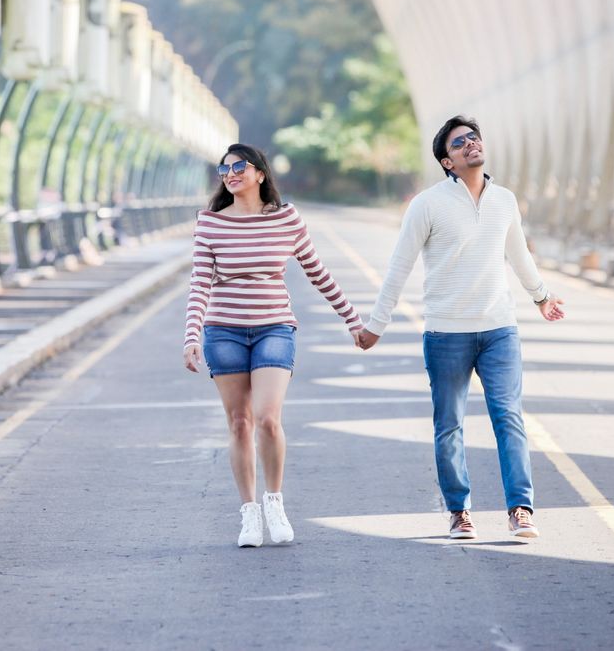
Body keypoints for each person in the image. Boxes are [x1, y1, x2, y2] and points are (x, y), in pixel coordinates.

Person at [355, 116, 565, 540]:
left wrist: (542, 297)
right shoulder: (427, 204)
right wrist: (376, 324)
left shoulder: (504, 200)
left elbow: (519, 255)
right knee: (449, 423)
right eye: (459, 143)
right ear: (446, 161)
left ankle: (520, 509)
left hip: (499, 330)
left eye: (474, 138)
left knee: (509, 417)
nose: (470, 145)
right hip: (446, 334)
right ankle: (459, 511)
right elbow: (399, 266)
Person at [183, 143, 363, 548]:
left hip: (274, 329)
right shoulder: (210, 223)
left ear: (260, 173)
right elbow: (199, 285)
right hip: (223, 331)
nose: (231, 173)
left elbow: (318, 272)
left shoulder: (286, 219)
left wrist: (352, 319)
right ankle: (249, 514)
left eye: (240, 166)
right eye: (224, 168)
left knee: (267, 418)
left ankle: (274, 502)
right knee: (239, 423)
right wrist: (191, 336)